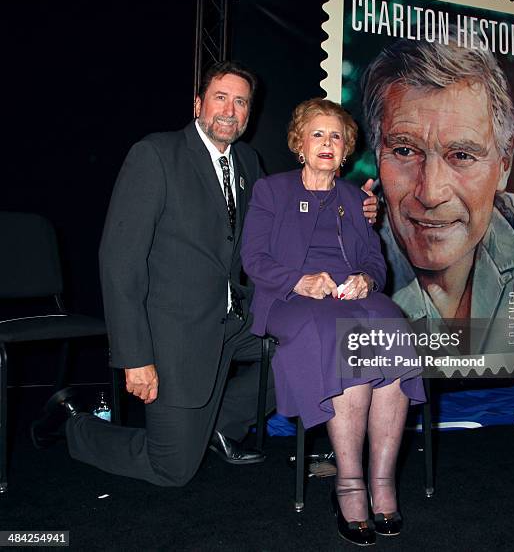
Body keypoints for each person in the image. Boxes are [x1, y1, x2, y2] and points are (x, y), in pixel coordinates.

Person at [31, 62, 378, 487]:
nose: (230, 110)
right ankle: (73, 424)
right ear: (198, 104)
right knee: (173, 468)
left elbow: (285, 221)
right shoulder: (155, 155)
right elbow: (119, 262)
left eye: (241, 102)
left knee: (312, 345)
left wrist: (354, 206)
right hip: (177, 333)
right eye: (221, 98)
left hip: (239, 320)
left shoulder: (249, 161)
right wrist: (135, 356)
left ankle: (221, 422)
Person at [241, 99, 424, 546]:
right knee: (342, 336)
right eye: (317, 134)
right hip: (291, 299)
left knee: (393, 326)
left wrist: (366, 280)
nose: (327, 143)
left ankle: (383, 481)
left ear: (345, 151)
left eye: (336, 136)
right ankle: (349, 483)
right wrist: (300, 281)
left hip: (348, 298)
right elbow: (253, 260)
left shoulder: (354, 199)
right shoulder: (272, 190)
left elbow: (374, 263)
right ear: (299, 144)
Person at [362, 35, 514, 354]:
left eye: (462, 155)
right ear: (377, 154)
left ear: (504, 164)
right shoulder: (344, 244)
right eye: (405, 150)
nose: (431, 193)